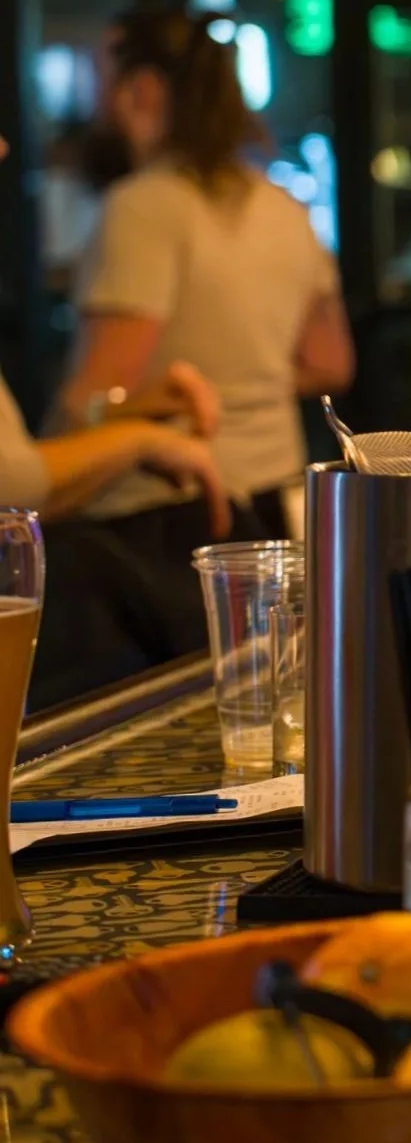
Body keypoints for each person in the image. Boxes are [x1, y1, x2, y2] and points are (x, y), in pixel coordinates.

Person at [55, 4, 351, 578]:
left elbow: (95, 398)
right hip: (272, 499)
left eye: (105, 80)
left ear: (141, 92)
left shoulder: (142, 207)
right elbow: (330, 364)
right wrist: (243, 381)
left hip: (164, 516)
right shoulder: (284, 205)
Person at [0, 125, 230, 708]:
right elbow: (15, 483)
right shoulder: (276, 208)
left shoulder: (145, 206)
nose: (4, 146)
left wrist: (132, 418)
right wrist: (138, 435)